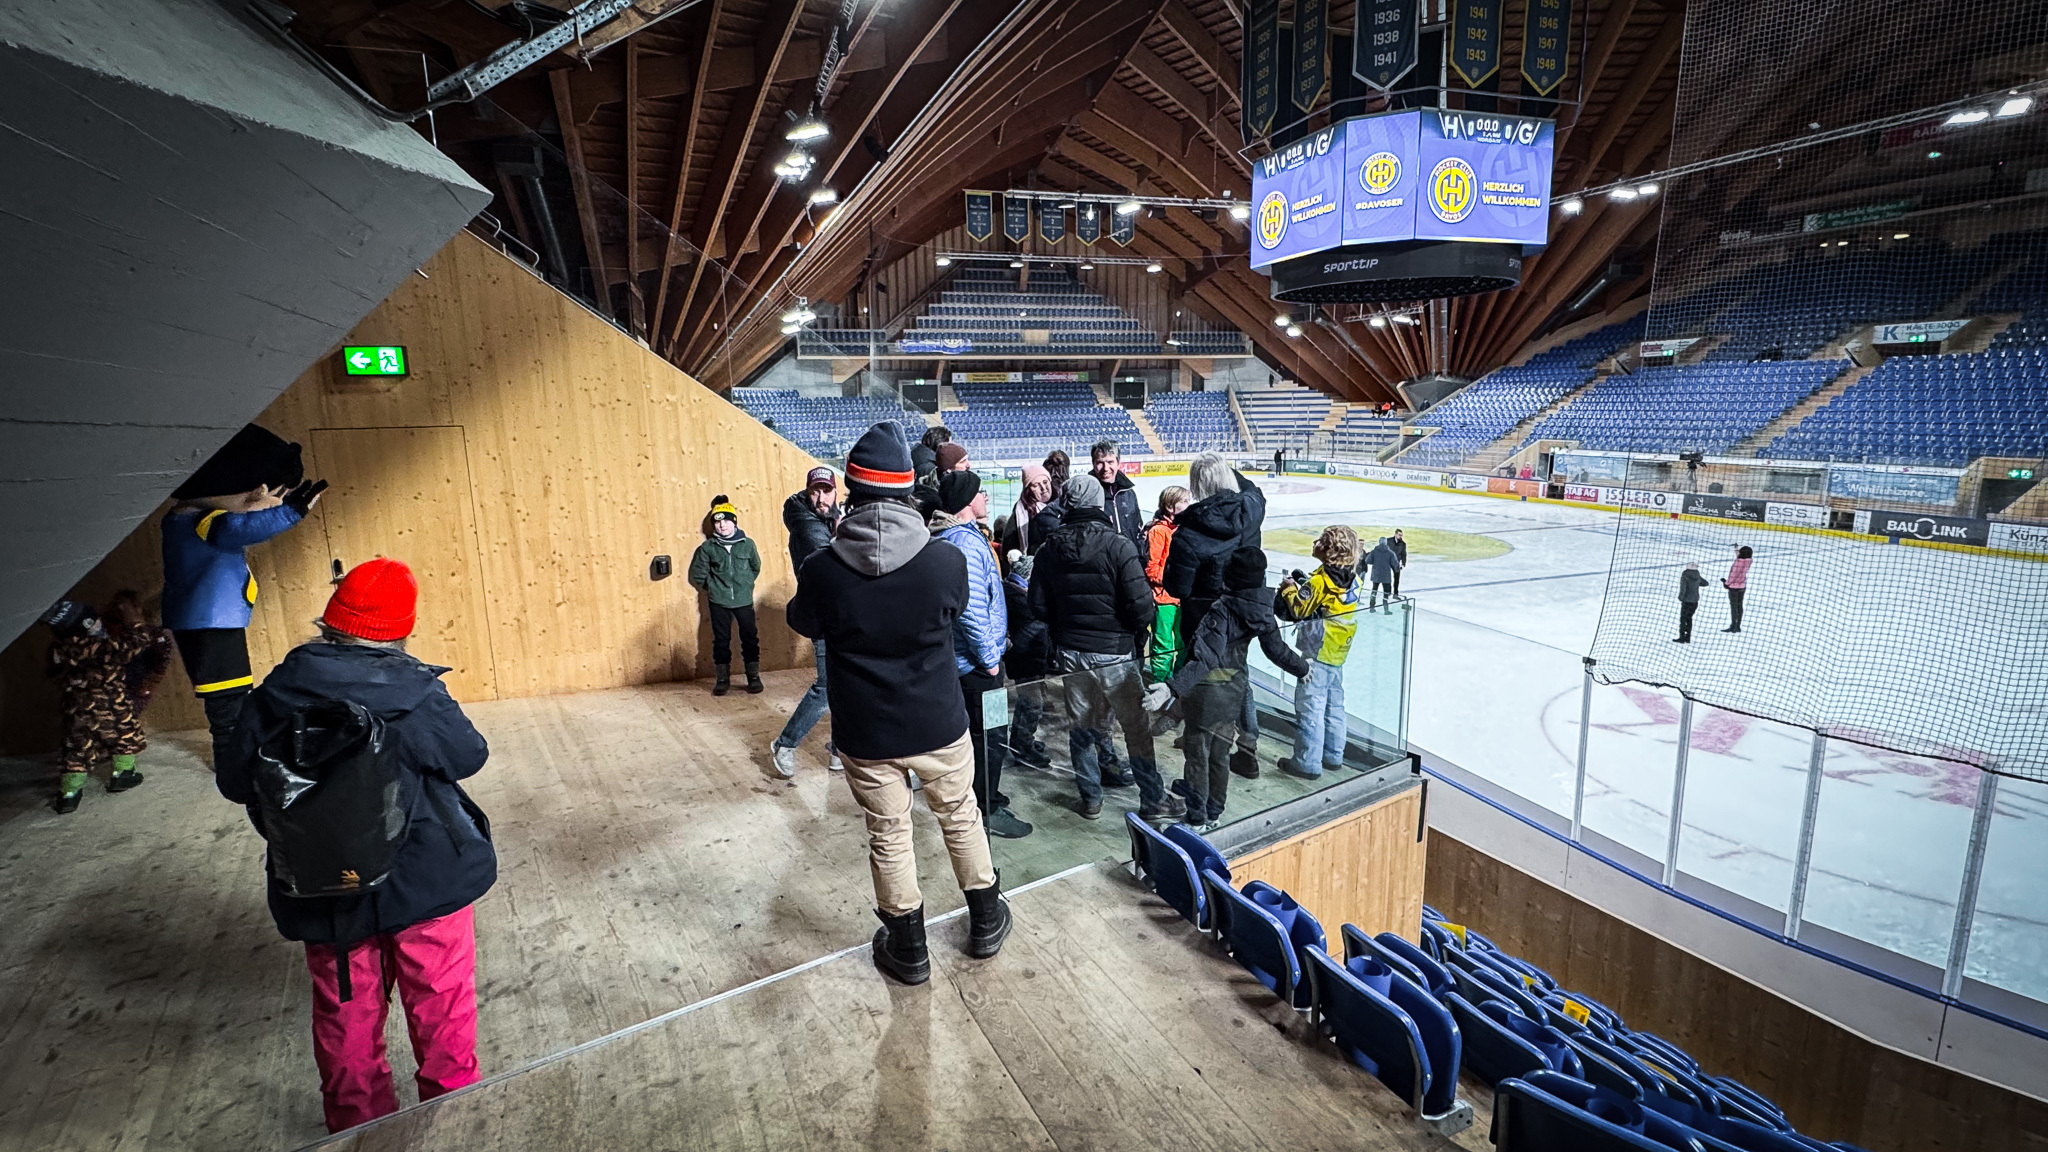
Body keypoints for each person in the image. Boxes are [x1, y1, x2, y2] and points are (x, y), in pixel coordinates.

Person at [218, 559, 494, 1133]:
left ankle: (357, 1128)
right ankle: (452, 1117)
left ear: (331, 621)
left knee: (346, 1010)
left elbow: (236, 781)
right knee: (440, 1000)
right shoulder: (415, 693)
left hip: (321, 880)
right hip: (424, 876)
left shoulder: (274, 693)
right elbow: (467, 756)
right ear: (400, 629)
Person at [788, 424, 1010, 985]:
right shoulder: (944, 562)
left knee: (889, 833)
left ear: (851, 491)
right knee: (961, 817)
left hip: (867, 732)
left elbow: (803, 621)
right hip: (939, 722)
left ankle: (909, 948)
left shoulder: (823, 570)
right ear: (910, 489)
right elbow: (956, 610)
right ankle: (985, 920)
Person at [161, 423, 327, 768]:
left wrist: (281, 507)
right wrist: (292, 511)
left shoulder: (186, 517)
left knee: (231, 696)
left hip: (207, 619)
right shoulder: (202, 520)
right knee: (227, 699)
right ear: (258, 489)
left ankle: (238, 754)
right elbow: (242, 528)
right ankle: (233, 764)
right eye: (276, 495)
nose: (273, 504)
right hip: (208, 622)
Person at [1028, 475, 1181, 823]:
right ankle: (1153, 800)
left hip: (1071, 651)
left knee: (1082, 727)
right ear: (1099, 505)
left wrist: (1065, 626)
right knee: (1135, 728)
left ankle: (1091, 798)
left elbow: (1037, 605)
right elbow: (1142, 605)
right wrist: (1125, 631)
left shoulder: (1050, 548)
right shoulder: (1118, 545)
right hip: (1114, 652)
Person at [1144, 548, 1308, 826]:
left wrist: (1172, 688)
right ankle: (1214, 811)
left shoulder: (1222, 609)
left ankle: (1197, 816)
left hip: (1207, 692)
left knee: (1198, 756)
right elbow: (1277, 650)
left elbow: (1205, 658)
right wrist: (1302, 669)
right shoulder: (1262, 608)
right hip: (1234, 689)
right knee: (1219, 753)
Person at [928, 470, 1030, 840]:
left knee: (985, 734)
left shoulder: (960, 537)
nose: (986, 498)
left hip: (972, 661)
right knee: (990, 734)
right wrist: (990, 658)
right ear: (967, 503)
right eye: (981, 493)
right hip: (978, 665)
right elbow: (970, 608)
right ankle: (984, 808)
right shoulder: (965, 544)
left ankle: (986, 796)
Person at [1165, 453, 1268, 777]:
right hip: (1245, 611)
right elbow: (1253, 490)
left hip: (1206, 619)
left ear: (1196, 486)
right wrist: (1222, 473)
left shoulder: (1189, 531)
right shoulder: (1251, 509)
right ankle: (1247, 749)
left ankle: (1202, 748)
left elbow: (1177, 586)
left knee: (1203, 680)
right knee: (1240, 676)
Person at [40, 596, 169, 813]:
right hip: (110, 706)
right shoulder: (101, 647)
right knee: (124, 736)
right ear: (87, 625)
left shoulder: (59, 650)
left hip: (75, 709)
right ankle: (123, 775)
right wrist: (135, 621)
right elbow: (135, 642)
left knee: (76, 750)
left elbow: (51, 672)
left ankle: (69, 794)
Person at [771, 468, 844, 776]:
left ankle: (839, 749)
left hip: (842, 612)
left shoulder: (834, 518)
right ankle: (784, 744)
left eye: (826, 490)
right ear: (806, 492)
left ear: (835, 492)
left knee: (847, 684)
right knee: (826, 687)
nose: (820, 497)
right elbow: (833, 565)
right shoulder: (806, 526)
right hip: (824, 615)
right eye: (815, 491)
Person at [1277, 527, 1363, 779]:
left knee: (1310, 707)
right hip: (1339, 649)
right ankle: (1334, 755)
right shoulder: (1354, 579)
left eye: (1321, 542)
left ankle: (1307, 762)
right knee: (1335, 704)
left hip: (1317, 650)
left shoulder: (1320, 581)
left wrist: (1289, 588)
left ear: (1328, 550)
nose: (1315, 543)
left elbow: (1299, 609)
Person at [688, 495, 764, 696]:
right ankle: (722, 679)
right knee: (721, 640)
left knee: (749, 637)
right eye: (718, 521)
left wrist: (745, 585)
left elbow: (755, 567)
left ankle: (753, 676)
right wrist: (713, 588)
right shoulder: (708, 548)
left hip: (743, 600)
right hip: (718, 602)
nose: (722, 525)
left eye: (726, 521)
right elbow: (698, 574)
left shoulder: (747, 544)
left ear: (734, 522)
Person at [1001, 550, 1052, 773]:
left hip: (1030, 658)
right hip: (1025, 659)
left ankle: (1022, 741)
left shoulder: (1014, 591)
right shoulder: (1018, 597)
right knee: (1032, 705)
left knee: (1030, 703)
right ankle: (1022, 747)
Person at [1144, 486, 1191, 682]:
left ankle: (1178, 684)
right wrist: (1176, 577)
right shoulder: (1158, 531)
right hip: (1164, 600)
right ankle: (1160, 684)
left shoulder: (1182, 530)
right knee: (1163, 646)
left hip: (1182, 597)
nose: (1189, 506)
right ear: (1171, 506)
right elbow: (1152, 569)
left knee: (1184, 643)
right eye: (1185, 502)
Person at [1089, 440, 1147, 558]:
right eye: (1100, 462)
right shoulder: (1087, 494)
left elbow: (1138, 528)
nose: (1105, 468)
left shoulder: (1128, 493)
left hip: (1130, 559)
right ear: (1093, 463)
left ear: (1118, 463)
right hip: (1103, 562)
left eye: (1110, 462)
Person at [1004, 463, 1063, 557]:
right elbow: (1008, 546)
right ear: (1028, 490)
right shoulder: (1021, 512)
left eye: (1045, 482)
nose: (1043, 488)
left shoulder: (1063, 503)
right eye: (1036, 485)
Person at [1365, 535, 1400, 614]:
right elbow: (1395, 564)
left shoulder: (1374, 552)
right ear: (1386, 543)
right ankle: (1386, 610)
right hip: (1386, 576)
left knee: (1374, 591)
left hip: (1376, 575)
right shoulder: (1390, 553)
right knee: (1386, 593)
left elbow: (1368, 561)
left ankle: (1372, 608)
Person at [1722, 546, 1752, 633]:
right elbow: (1741, 556)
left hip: (1734, 587)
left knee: (1734, 607)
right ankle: (1737, 625)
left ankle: (1733, 625)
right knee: (1739, 606)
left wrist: (1726, 583)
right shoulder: (1748, 561)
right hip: (1742, 586)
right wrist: (1737, 549)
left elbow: (1733, 575)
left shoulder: (1738, 562)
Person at [1676, 562, 1706, 643]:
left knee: (1683, 619)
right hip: (1695, 601)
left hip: (1686, 600)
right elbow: (1705, 583)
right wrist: (1695, 584)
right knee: (1689, 618)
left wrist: (1681, 597)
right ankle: (1688, 637)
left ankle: (1682, 637)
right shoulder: (1697, 574)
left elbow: (1683, 587)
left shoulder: (1685, 574)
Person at [1389, 529, 1409, 598]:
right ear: (1395, 534)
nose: (1400, 536)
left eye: (1401, 535)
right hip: (1388, 562)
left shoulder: (1403, 544)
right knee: (1387, 578)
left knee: (1397, 579)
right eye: (1399, 535)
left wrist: (1403, 564)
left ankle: (1395, 594)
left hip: (1396, 563)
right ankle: (1387, 592)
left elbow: (1404, 555)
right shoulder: (1388, 541)